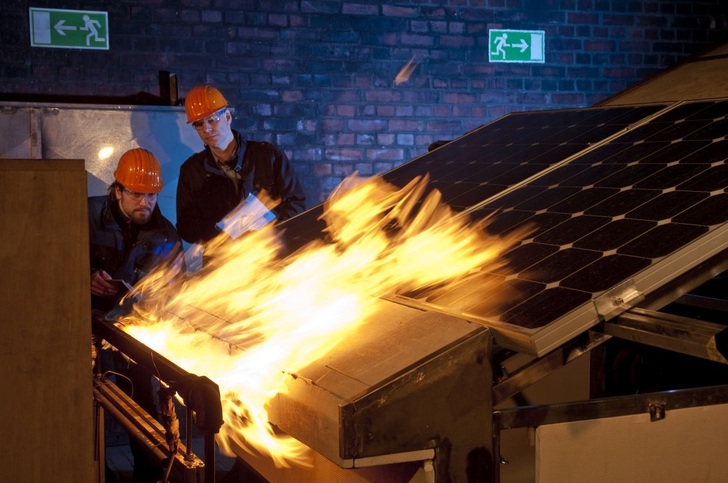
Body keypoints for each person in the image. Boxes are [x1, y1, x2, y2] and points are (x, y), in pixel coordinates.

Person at [89, 147, 183, 483]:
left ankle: (150, 478)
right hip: (81, 325)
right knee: (79, 406)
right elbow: (52, 258)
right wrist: (85, 277)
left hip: (131, 333)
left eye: (152, 196)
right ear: (117, 190)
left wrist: (145, 301)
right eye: (136, 194)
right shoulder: (84, 214)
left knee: (143, 412)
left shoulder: (166, 236)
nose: (145, 203)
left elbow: (174, 292)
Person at [176, 84, 306, 245]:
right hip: (222, 262)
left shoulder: (268, 157)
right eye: (199, 124)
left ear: (228, 117)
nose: (206, 129)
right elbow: (186, 227)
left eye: (212, 120)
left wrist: (271, 230)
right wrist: (221, 235)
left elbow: (296, 203)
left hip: (269, 254)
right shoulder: (192, 171)